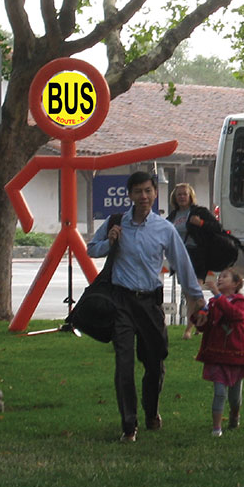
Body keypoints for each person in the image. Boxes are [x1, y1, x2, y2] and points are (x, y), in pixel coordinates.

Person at [88, 171, 205, 442]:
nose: (143, 196)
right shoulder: (116, 222)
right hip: (121, 302)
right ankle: (129, 425)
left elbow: (182, 263)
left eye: (148, 191)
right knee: (124, 363)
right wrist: (109, 242)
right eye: (138, 191)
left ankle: (151, 411)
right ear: (129, 195)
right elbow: (91, 249)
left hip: (150, 302)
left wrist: (197, 299)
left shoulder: (164, 228)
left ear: (155, 194)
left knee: (155, 362)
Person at [193, 267, 244, 437]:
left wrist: (217, 295)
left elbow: (234, 315)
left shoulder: (239, 302)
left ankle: (234, 414)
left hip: (236, 355)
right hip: (217, 355)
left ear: (235, 284)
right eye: (219, 277)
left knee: (234, 397)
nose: (219, 279)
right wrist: (197, 315)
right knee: (219, 392)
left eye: (225, 277)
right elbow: (205, 326)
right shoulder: (214, 303)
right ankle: (216, 428)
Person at [166, 183, 223, 340]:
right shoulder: (172, 216)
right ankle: (202, 321)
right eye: (179, 194)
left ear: (190, 196)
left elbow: (217, 227)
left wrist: (201, 223)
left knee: (194, 290)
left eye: (185, 194)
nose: (182, 197)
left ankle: (188, 330)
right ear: (174, 198)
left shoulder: (199, 212)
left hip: (198, 256)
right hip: (180, 257)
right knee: (189, 293)